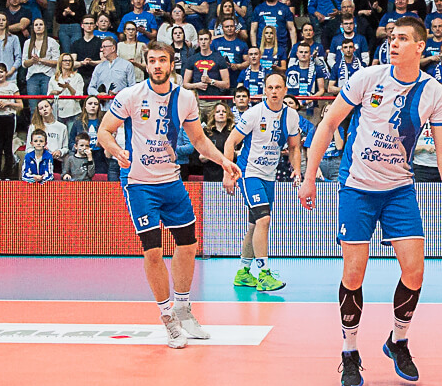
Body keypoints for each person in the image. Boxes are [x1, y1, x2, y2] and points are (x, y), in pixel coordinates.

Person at [298, 15, 442, 386]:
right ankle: (350, 353)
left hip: (398, 190)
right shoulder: (368, 78)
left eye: (403, 38)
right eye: (392, 37)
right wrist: (309, 177)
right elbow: (327, 124)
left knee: (415, 272)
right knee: (353, 274)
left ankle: (398, 341)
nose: (394, 43)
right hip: (357, 188)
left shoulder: (433, 92)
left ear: (420, 47)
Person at [95, 41, 241, 348]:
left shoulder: (185, 97)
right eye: (152, 60)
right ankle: (167, 317)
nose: (157, 65)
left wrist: (224, 161)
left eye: (162, 60)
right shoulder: (131, 95)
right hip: (139, 183)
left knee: (188, 245)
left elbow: (199, 140)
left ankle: (183, 309)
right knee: (152, 251)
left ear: (171, 64)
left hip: (171, 182)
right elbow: (104, 131)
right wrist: (117, 150)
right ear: (146, 64)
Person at [224, 72, 304, 292]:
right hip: (249, 172)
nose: (274, 91)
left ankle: (243, 272)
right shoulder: (254, 113)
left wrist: (297, 170)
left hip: (269, 175)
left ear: (285, 90)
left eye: (278, 87)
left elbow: (294, 147)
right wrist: (227, 174)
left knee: (255, 224)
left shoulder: (291, 116)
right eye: (270, 87)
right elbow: (230, 142)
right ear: (264, 90)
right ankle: (264, 274)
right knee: (264, 219)